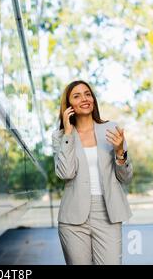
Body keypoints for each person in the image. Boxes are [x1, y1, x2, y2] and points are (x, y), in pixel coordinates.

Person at [52, 80, 133, 265]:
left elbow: (126, 177)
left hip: (108, 213)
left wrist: (120, 152)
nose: (84, 99)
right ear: (68, 104)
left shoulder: (111, 129)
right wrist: (67, 135)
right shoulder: (60, 136)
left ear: (93, 99)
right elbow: (65, 173)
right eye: (77, 96)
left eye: (87, 94)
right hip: (73, 217)